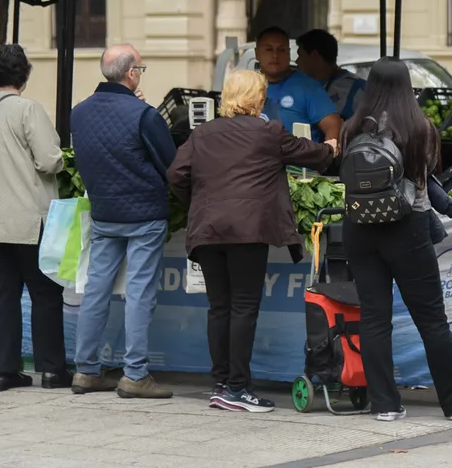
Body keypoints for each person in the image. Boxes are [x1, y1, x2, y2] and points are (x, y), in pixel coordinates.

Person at [338, 57, 452, 423]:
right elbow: (425, 175)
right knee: (431, 321)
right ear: (405, 86)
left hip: (359, 228)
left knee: (374, 318)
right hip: (406, 227)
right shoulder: (419, 128)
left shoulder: (350, 128)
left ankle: (384, 404)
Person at [167, 70, 336, 413]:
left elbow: (176, 175)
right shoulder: (268, 131)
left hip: (208, 231)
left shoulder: (203, 133)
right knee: (243, 307)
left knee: (219, 308)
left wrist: (199, 203)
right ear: (258, 98)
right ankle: (239, 389)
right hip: (248, 232)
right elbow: (311, 154)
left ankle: (221, 383)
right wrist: (330, 148)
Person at [70, 44, 176, 399]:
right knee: (139, 293)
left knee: (96, 290)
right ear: (131, 74)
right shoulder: (144, 114)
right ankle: (135, 374)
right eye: (141, 69)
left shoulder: (79, 113)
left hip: (104, 213)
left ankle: (85, 370)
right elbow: (170, 164)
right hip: (145, 214)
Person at [0, 44, 69, 392]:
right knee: (45, 293)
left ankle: (2, 371)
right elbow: (48, 160)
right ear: (25, 75)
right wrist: (64, 158)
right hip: (28, 218)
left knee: (2, 291)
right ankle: (52, 370)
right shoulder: (29, 110)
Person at [256, 27, 340, 143]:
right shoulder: (246, 86)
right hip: (256, 159)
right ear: (257, 53)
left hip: (298, 159)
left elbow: (333, 125)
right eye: (269, 49)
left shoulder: (307, 87)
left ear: (289, 53)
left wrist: (328, 153)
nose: (275, 55)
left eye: (282, 50)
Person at [295, 29, 366, 121]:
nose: (297, 61)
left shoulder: (356, 90)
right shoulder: (300, 88)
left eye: (300, 55)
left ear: (314, 55)